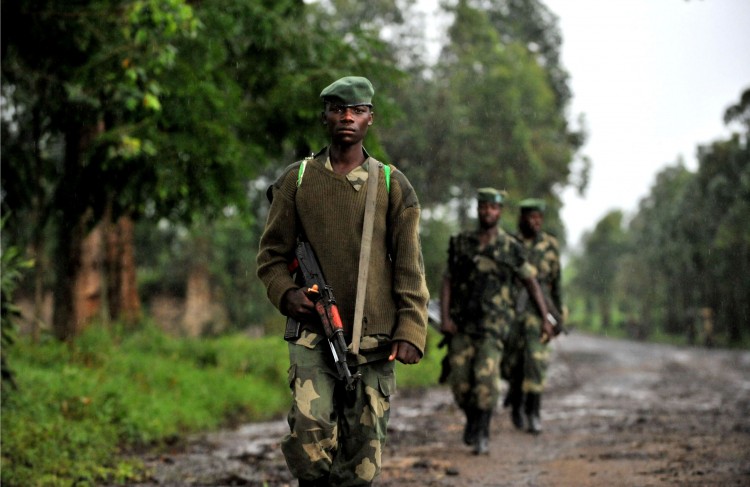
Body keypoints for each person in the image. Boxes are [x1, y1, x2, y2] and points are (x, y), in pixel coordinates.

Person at [256, 75, 429, 487]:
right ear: (325, 118)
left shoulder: (392, 184)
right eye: (338, 110)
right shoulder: (297, 180)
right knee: (308, 441)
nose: (347, 117)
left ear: (370, 119)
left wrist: (411, 329)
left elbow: (409, 267)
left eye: (357, 111)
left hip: (376, 339)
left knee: (362, 461)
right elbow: (271, 256)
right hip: (313, 335)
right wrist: (287, 294)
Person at [439, 188, 554, 455]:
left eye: (493, 208)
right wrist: (445, 318)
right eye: (484, 207)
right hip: (462, 325)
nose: (488, 212)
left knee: (486, 380)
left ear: (500, 212)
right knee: (460, 383)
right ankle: (471, 418)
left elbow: (532, 283)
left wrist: (546, 318)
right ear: (478, 209)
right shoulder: (462, 243)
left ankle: (482, 432)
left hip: (494, 327)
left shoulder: (510, 247)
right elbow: (448, 281)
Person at [501, 198, 563, 434]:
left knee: (536, 361)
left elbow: (557, 283)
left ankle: (534, 412)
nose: (534, 222)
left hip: (539, 313)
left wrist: (557, 317)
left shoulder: (550, 245)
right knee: (513, 363)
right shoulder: (510, 243)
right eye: (530, 217)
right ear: (522, 219)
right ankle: (516, 402)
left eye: (538, 217)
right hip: (512, 312)